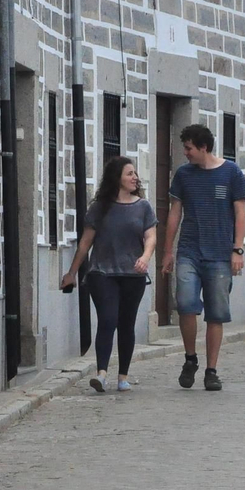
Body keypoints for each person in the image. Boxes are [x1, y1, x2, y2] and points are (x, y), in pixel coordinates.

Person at [160, 123, 245, 392]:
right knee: (185, 303)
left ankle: (211, 370)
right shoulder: (184, 175)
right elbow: (175, 212)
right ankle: (190, 358)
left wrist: (238, 249)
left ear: (203, 147)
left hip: (221, 254)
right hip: (189, 250)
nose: (185, 153)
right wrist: (168, 251)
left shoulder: (231, 172)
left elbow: (240, 213)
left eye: (188, 148)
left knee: (216, 313)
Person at [62, 156, 157, 392]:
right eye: (129, 174)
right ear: (117, 178)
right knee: (107, 319)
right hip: (102, 272)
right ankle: (101, 373)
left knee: (126, 324)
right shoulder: (99, 208)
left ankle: (123, 376)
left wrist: (145, 258)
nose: (135, 177)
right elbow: (85, 243)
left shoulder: (143, 207)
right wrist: (72, 272)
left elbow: (151, 237)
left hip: (132, 274)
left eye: (135, 173)